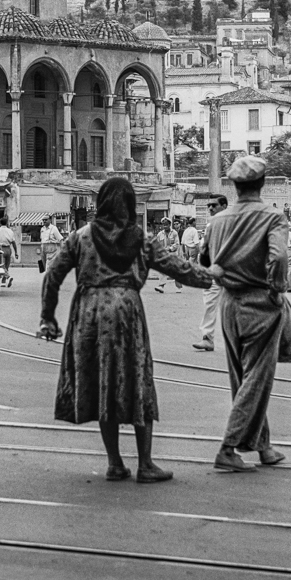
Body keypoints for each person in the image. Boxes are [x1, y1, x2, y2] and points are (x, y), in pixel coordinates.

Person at [38, 175, 210, 483]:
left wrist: (48, 318)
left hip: (89, 313)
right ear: (130, 205)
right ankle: (145, 464)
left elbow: (52, 275)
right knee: (137, 380)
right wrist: (215, 276)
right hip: (128, 313)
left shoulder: (80, 237)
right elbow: (179, 269)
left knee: (103, 382)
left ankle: (115, 462)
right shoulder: (142, 240)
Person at [199, 155, 290, 472]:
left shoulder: (218, 220)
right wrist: (278, 288)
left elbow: (204, 259)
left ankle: (263, 446)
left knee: (244, 378)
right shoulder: (272, 217)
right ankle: (227, 447)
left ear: (234, 186)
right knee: (257, 379)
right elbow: (279, 258)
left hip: (228, 304)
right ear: (262, 183)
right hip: (260, 304)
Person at [191, 194, 228, 352]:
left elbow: (204, 250)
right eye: (209, 206)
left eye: (214, 205)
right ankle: (207, 338)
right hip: (217, 270)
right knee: (210, 304)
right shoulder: (213, 224)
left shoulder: (224, 222)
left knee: (232, 305)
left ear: (224, 206)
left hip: (227, 270)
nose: (211, 208)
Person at [0, 215, 19, 287]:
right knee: (6, 265)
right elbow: (13, 242)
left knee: (1, 265)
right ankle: (3, 281)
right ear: (7, 223)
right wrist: (16, 252)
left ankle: (8, 277)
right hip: (8, 248)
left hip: (1, 248)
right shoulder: (10, 231)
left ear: (0, 223)